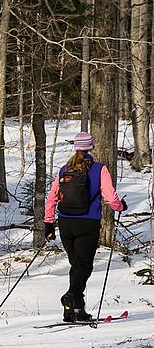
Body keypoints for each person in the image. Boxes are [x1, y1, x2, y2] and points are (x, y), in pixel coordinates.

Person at [44, 131, 127, 322]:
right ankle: (71, 296)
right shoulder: (99, 169)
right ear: (91, 148)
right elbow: (110, 197)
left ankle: (75, 310)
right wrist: (120, 207)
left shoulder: (65, 169)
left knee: (77, 266)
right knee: (84, 266)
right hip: (87, 223)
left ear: (75, 147)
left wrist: (49, 224)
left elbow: (51, 198)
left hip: (65, 223)